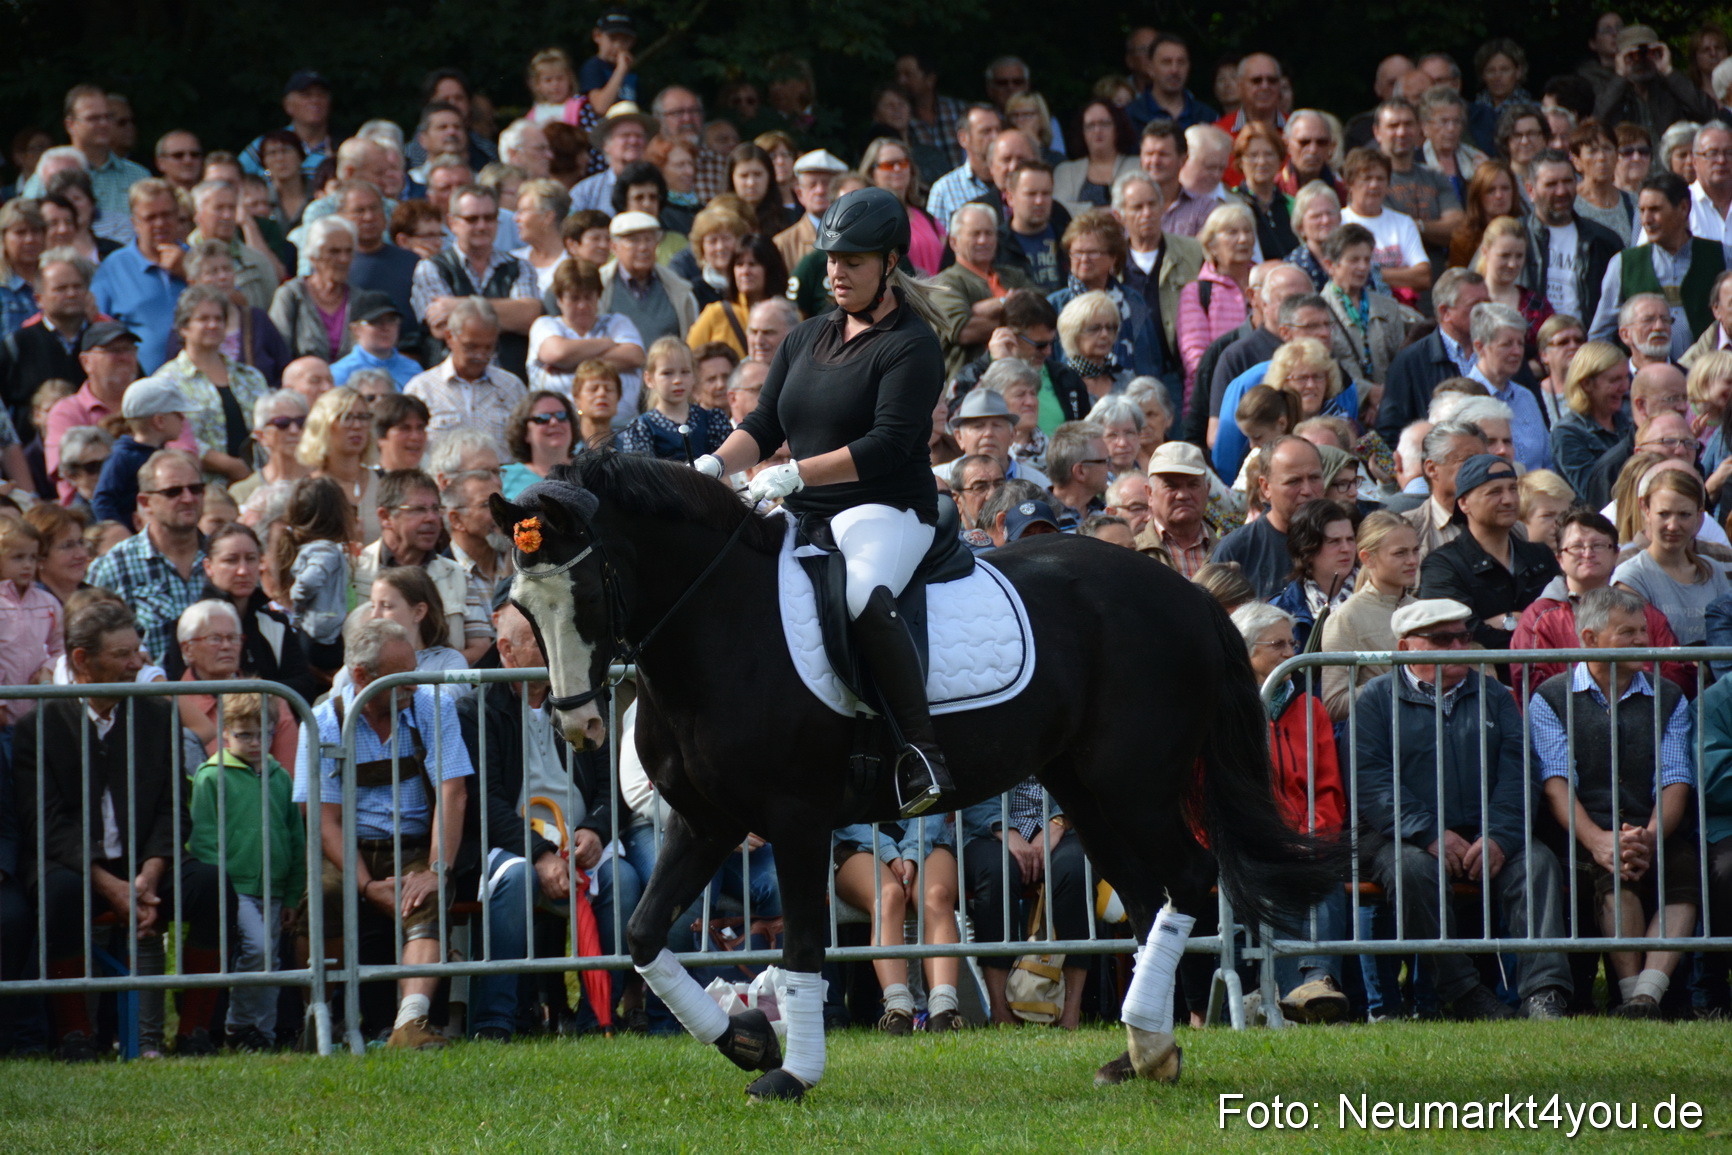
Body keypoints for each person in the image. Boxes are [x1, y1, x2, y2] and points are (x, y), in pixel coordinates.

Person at [693, 187, 953, 817]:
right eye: (832, 258)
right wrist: (712, 466)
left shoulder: (912, 345)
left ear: (890, 261)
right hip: (807, 510)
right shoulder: (805, 335)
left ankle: (921, 752)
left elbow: (889, 445)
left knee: (863, 592)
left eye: (854, 260)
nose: (837, 271)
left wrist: (796, 475)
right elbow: (761, 425)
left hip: (888, 510)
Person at [15, 599, 232, 1060]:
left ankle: (195, 1033)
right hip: (75, 868)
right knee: (58, 894)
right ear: (81, 661)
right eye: (121, 655)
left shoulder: (157, 716)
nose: (137, 663)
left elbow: (176, 806)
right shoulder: (41, 726)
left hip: (146, 864)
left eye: (138, 650)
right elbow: (45, 823)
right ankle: (75, 1035)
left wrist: (149, 875)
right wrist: (110, 885)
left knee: (212, 887)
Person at [1348, 597, 1574, 1021]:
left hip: (1484, 830)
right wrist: (1429, 833)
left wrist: (1500, 837)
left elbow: (1518, 771)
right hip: (1401, 836)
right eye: (1442, 639)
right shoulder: (1374, 700)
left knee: (1537, 863)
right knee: (1412, 869)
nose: (1458, 646)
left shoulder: (1494, 694)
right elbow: (1372, 782)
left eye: (1463, 636)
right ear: (1406, 646)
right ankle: (1465, 992)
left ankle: (1545, 993)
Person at [456, 602, 640, 1038]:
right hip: (509, 846)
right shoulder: (476, 709)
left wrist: (595, 830)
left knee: (625, 880)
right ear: (506, 649)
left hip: (580, 843)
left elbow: (610, 788)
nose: (556, 649)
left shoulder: (580, 701)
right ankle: (496, 1021)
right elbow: (486, 802)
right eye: (541, 641)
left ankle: (598, 1019)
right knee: (517, 879)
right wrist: (539, 854)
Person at [295, 615, 472, 1050]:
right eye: (402, 678)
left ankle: (409, 1025)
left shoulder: (434, 707)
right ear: (361, 676)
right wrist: (366, 884)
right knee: (324, 897)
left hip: (414, 848)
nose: (414, 685)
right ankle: (319, 1017)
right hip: (347, 852)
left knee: (428, 898)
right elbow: (323, 820)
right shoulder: (322, 723)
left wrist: (436, 869)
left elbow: (453, 794)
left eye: (414, 673)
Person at [1532, 586, 1700, 1018]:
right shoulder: (1550, 698)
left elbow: (1676, 777)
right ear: (1589, 639)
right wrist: (1598, 840)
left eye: (1643, 630)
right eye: (1627, 632)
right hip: (1583, 833)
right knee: (1611, 874)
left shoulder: (1670, 697)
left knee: (1683, 871)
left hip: (1652, 827)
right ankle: (1632, 997)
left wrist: (1646, 837)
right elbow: (1555, 782)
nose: (1642, 640)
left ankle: (1646, 994)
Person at [1231, 600, 1350, 1021]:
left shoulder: (1310, 708)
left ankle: (1313, 983)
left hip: (1303, 835)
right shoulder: (1224, 712)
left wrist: (1313, 836)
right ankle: (1302, 988)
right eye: (1278, 645)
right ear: (1246, 652)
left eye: (1292, 642)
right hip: (1245, 842)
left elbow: (1327, 788)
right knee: (1273, 872)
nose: (1290, 653)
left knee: (1322, 869)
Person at [187, 690, 304, 1051]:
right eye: (245, 734)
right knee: (256, 950)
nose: (256, 743)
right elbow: (203, 838)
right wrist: (222, 887)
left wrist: (291, 893)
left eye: (264, 733)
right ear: (225, 733)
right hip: (235, 887)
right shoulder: (211, 777)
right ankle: (238, 1026)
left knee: (271, 962)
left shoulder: (280, 777)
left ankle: (262, 1035)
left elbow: (295, 837)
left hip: (274, 886)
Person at [1513, 507, 1690, 697]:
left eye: (1598, 545)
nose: (1588, 554)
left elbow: (1675, 674)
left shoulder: (1643, 612)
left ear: (1616, 554)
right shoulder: (1539, 618)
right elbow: (1533, 688)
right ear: (1559, 559)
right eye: (1577, 547)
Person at [1419, 453, 1560, 651]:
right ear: (1464, 503)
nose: (1509, 500)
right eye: (1495, 492)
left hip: (1545, 677)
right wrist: (1527, 628)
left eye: (1513, 489)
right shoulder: (1443, 566)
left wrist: (1504, 622)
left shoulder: (1540, 556)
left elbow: (1563, 623)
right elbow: (1460, 637)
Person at [160, 284, 272, 485]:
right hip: (205, 488)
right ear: (184, 327)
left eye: (218, 319)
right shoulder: (167, 381)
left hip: (259, 483)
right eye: (203, 319)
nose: (213, 325)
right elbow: (174, 438)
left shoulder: (250, 377)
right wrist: (231, 466)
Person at [1317, 510, 1419, 719]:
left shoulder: (1424, 610)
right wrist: (1406, 681)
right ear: (1367, 558)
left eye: (1415, 550)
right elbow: (1335, 703)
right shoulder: (1345, 618)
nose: (1412, 561)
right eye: (1400, 553)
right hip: (1379, 741)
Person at [1613, 469, 1732, 645]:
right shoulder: (1631, 577)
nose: (1673, 526)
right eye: (1664, 514)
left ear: (1699, 516)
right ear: (1646, 510)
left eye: (1684, 515)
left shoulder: (1713, 571)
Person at [89, 179, 188, 372]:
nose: (160, 223)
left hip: (199, 384)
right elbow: (96, 328)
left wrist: (189, 274)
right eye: (150, 217)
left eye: (166, 215)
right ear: (135, 223)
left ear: (178, 216)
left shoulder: (198, 259)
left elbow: (237, 306)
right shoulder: (113, 267)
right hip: (139, 386)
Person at [403, 296, 528, 447]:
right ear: (449, 337)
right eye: (471, 347)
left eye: (489, 347)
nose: (480, 355)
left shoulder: (511, 387)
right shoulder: (422, 389)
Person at [1212, 434, 1325, 598]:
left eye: (1314, 478)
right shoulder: (1237, 551)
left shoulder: (1344, 540)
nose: (1307, 490)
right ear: (1265, 487)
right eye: (1294, 481)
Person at [928, 203, 1033, 377]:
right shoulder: (946, 282)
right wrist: (1010, 305)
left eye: (988, 233)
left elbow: (1042, 306)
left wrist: (987, 308)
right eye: (975, 234)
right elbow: (963, 331)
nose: (983, 240)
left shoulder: (1013, 275)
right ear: (954, 242)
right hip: (972, 384)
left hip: (1021, 378)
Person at [1177, 202, 1255, 406]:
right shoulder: (1197, 292)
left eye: (1248, 231)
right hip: (1215, 400)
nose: (1243, 239)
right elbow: (1195, 358)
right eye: (1232, 232)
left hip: (1264, 397)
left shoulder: (1268, 283)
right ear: (1211, 244)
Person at [273, 475, 353, 672]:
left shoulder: (308, 549)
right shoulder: (327, 552)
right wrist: (298, 610)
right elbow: (307, 583)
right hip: (323, 637)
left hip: (312, 636)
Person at [615, 337, 732, 461]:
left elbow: (731, 466)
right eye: (667, 373)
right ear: (649, 379)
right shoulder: (641, 429)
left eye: (685, 372)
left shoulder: (714, 420)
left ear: (694, 375)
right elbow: (642, 476)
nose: (677, 380)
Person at [1321, 222, 1406, 388]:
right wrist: (1367, 395)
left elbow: (1401, 361)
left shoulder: (1388, 307)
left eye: (1367, 260)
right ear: (1331, 265)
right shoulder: (1319, 310)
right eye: (1354, 260)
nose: (1363, 267)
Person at [1549, 340, 1633, 504]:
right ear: (1586, 383)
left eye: (1626, 378)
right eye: (1615, 380)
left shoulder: (1626, 424)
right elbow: (1594, 493)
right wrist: (1632, 442)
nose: (1624, 387)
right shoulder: (1566, 432)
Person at [1270, 498, 1358, 650]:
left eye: (1350, 539)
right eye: (1334, 541)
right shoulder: (1280, 609)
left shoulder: (1379, 597)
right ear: (1307, 549)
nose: (1346, 548)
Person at [1338, 147, 1430, 294]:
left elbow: (1423, 276)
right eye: (1367, 178)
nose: (1374, 185)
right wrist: (1402, 274)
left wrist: (1367, 274)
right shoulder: (1338, 222)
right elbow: (1338, 273)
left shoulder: (1403, 223)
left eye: (1380, 179)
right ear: (1349, 184)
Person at [297, 386, 381, 543]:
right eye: (346, 417)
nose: (357, 426)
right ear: (323, 425)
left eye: (363, 417)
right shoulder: (309, 490)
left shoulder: (383, 482)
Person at [685, 234, 789, 360]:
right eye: (739, 265)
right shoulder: (715, 314)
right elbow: (689, 360)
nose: (745, 271)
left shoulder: (788, 315)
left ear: (770, 269)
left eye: (753, 264)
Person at [330, 292, 421, 389]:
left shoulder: (413, 369)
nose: (386, 327)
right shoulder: (339, 374)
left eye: (392, 320)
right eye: (376, 321)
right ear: (355, 329)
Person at [501, 390, 578, 499]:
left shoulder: (593, 474)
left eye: (562, 415)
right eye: (543, 418)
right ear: (525, 432)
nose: (554, 422)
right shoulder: (504, 478)